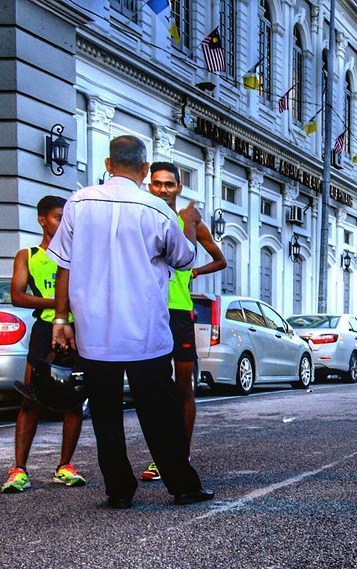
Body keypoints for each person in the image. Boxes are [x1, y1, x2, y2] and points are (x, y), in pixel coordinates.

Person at [47, 135, 212, 509]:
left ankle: (119, 489)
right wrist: (188, 223)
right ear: (143, 170)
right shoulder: (157, 210)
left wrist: (61, 318)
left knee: (105, 413)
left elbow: (64, 265)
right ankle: (182, 486)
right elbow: (184, 260)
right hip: (144, 331)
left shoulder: (79, 202)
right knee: (159, 412)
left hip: (95, 330)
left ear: (108, 164)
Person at [141, 161, 227, 482]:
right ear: (150, 185)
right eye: (157, 184)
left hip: (179, 313)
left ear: (179, 187)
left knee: (183, 388)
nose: (163, 189)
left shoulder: (188, 220)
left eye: (169, 184)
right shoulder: (145, 218)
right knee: (156, 389)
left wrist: (194, 272)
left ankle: (181, 453)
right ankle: (159, 456)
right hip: (150, 311)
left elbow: (220, 260)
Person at [2, 195, 87, 493]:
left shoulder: (81, 253)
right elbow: (18, 296)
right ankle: (19, 469)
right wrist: (58, 302)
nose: (63, 223)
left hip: (79, 330)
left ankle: (65, 465)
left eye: (66, 217)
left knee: (75, 399)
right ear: (42, 219)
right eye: (56, 217)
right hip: (45, 328)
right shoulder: (28, 254)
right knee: (31, 398)